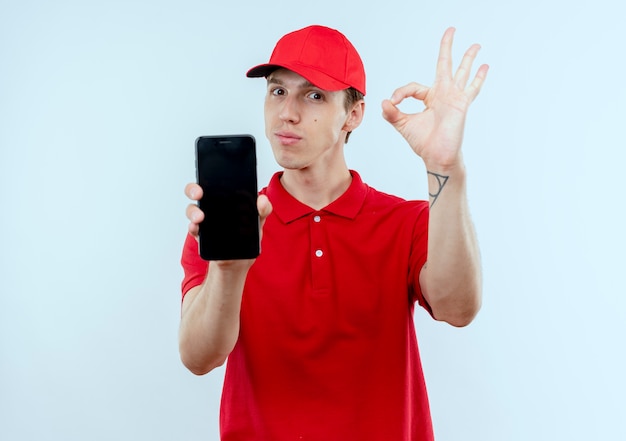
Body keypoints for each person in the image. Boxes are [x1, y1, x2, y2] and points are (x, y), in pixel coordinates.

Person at [179, 24, 488, 441]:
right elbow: (198, 357)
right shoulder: (229, 225)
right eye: (277, 91)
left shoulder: (407, 222)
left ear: (353, 115)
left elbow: (458, 308)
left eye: (314, 95)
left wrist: (446, 167)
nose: (287, 113)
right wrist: (229, 272)